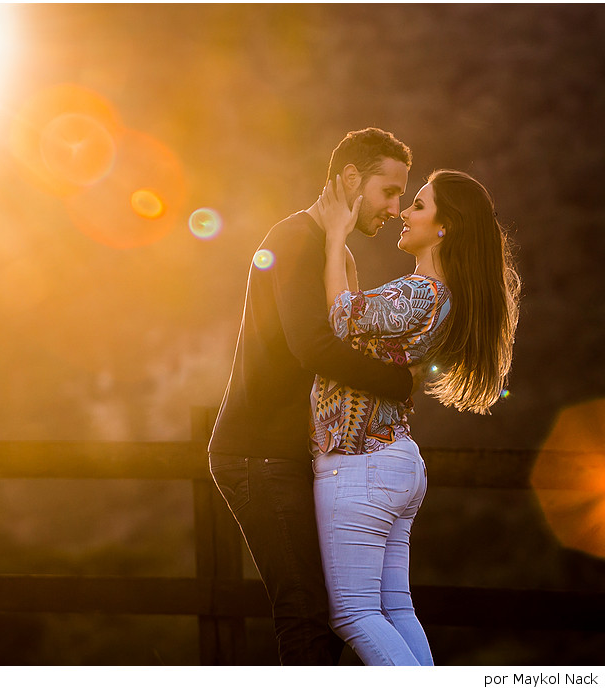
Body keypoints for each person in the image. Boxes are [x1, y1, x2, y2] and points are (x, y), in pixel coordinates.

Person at [208, 127, 424, 665]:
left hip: (286, 452)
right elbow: (313, 346)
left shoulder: (325, 249)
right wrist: (399, 382)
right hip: (257, 453)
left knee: (327, 614)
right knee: (305, 614)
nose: (396, 208)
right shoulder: (295, 240)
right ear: (351, 178)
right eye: (389, 192)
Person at [311, 168, 521, 665]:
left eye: (419, 205)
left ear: (445, 226)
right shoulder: (439, 295)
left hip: (361, 464)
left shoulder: (421, 292)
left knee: (354, 614)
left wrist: (336, 236)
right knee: (394, 608)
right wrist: (344, 256)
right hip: (393, 465)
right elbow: (359, 322)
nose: (405, 212)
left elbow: (340, 319)